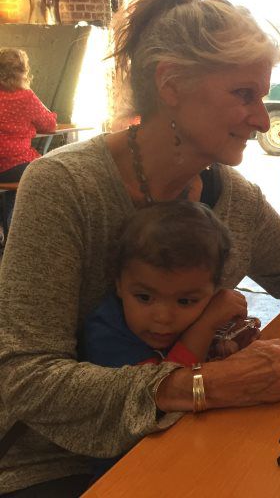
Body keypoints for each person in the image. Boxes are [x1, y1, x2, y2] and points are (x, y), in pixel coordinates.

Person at [0, 0, 280, 496]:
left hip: (186, 437)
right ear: (170, 85)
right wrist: (204, 384)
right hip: (55, 464)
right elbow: (27, 379)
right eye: (244, 95)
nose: (262, 119)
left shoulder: (233, 196)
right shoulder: (64, 186)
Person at [81, 200, 252, 478]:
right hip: (124, 470)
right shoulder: (106, 333)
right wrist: (205, 326)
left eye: (185, 300)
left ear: (213, 291)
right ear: (119, 284)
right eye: (144, 297)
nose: (163, 317)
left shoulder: (186, 316)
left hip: (190, 445)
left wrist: (227, 345)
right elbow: (160, 392)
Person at [0, 47, 57, 183]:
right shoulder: (26, 97)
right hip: (16, 165)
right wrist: (51, 116)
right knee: (51, 170)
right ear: (23, 72)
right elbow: (49, 126)